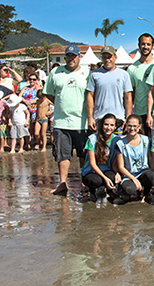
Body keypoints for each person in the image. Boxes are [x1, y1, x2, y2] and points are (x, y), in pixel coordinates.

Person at [43, 44, 90, 195]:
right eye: (68, 56)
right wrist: (60, 103)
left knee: (83, 155)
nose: (71, 59)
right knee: (62, 155)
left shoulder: (87, 73)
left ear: (79, 57)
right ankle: (63, 183)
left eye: (74, 56)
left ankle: (84, 183)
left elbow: (91, 96)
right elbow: (49, 93)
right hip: (61, 122)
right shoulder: (56, 72)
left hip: (82, 122)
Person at [86, 45, 133, 131]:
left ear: (115, 57)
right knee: (100, 144)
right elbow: (90, 96)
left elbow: (128, 97)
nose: (107, 59)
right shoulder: (94, 74)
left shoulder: (124, 74)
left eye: (110, 57)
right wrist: (90, 118)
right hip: (99, 119)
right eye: (104, 57)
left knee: (118, 144)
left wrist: (128, 118)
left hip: (119, 119)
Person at [113, 114, 154, 205]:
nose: (132, 128)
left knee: (150, 176)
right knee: (129, 189)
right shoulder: (120, 143)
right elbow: (121, 167)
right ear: (126, 125)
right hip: (128, 174)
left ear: (139, 126)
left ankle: (146, 194)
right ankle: (125, 195)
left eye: (135, 126)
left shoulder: (146, 140)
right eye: (130, 126)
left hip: (143, 172)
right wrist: (134, 179)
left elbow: (151, 160)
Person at [81, 113, 118, 202]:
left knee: (113, 176)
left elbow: (116, 162)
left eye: (112, 125)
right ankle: (92, 192)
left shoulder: (117, 140)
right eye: (106, 124)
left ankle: (109, 190)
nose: (108, 128)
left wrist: (117, 173)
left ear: (115, 127)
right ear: (101, 125)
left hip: (107, 169)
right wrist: (105, 178)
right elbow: (92, 163)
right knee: (95, 181)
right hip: (91, 171)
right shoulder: (92, 139)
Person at [127, 33, 154, 135]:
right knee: (142, 146)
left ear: (152, 46)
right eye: (143, 44)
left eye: (148, 44)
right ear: (139, 45)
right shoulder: (132, 68)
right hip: (140, 113)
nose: (145, 47)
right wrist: (129, 115)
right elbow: (130, 94)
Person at [18, 72, 42, 149]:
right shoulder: (25, 88)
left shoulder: (39, 88)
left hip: (35, 109)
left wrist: (31, 101)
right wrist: (25, 101)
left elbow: (40, 97)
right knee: (28, 127)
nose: (32, 81)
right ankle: (27, 142)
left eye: (34, 79)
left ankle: (37, 142)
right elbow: (19, 96)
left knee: (35, 127)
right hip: (25, 108)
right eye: (30, 79)